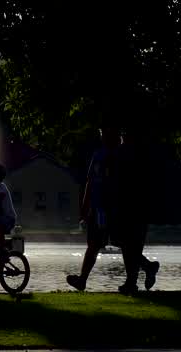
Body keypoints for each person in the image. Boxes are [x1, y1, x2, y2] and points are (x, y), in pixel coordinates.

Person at [66, 125, 117, 291]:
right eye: (102, 133)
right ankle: (82, 280)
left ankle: (82, 280)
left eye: (105, 134)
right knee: (95, 244)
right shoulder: (99, 155)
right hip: (98, 208)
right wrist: (85, 205)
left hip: (107, 208)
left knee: (101, 243)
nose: (103, 137)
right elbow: (90, 181)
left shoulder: (118, 156)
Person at [111, 128, 160, 292]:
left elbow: (117, 182)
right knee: (131, 245)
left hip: (126, 206)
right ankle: (136, 276)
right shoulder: (143, 154)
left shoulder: (122, 154)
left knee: (125, 243)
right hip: (139, 206)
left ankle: (137, 276)